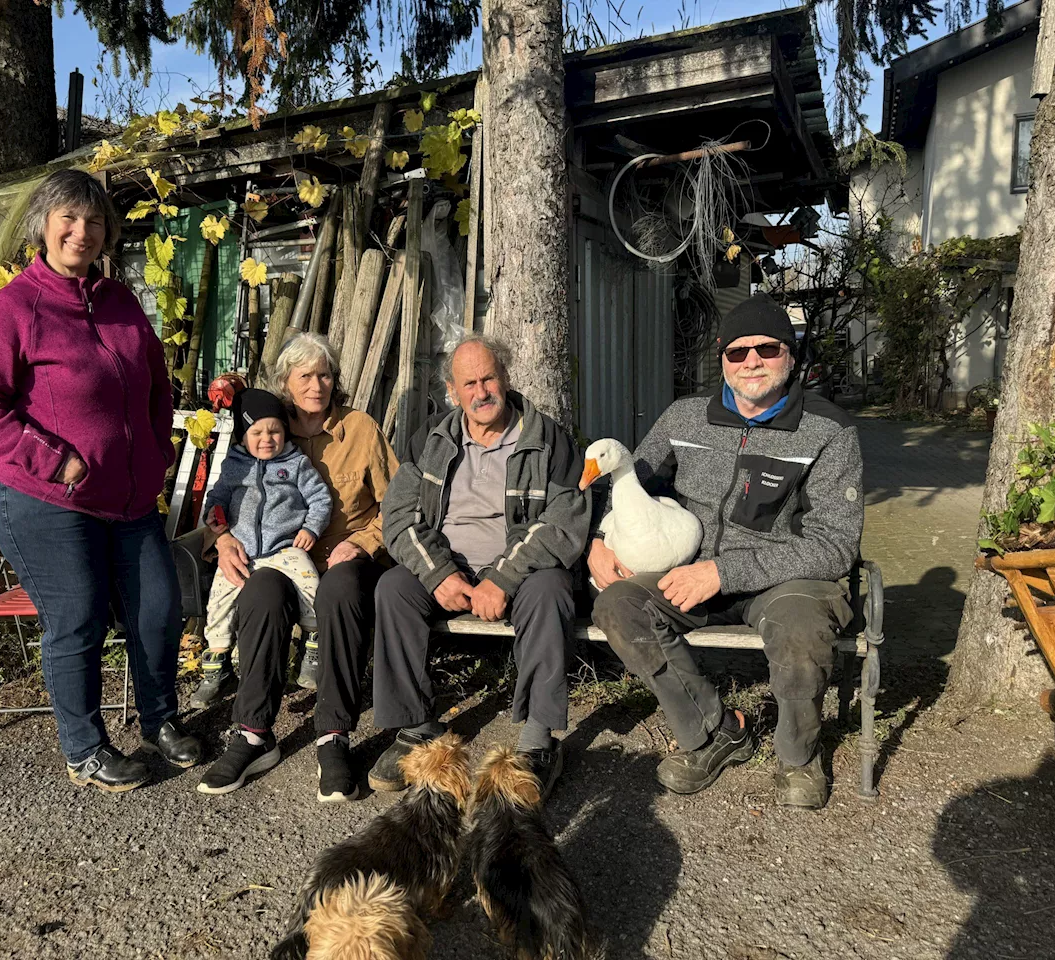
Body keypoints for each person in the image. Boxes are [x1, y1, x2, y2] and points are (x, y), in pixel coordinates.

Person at [0, 168, 202, 793]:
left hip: (127, 498)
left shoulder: (119, 302)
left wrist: (154, 454)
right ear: (44, 224)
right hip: (41, 497)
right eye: (68, 218)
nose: (81, 232)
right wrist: (52, 458)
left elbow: (154, 388)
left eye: (93, 222)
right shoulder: (13, 308)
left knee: (158, 608)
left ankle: (161, 722)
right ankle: (85, 749)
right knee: (78, 615)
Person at [589, 293, 863, 809]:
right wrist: (600, 539)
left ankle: (798, 755)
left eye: (767, 348)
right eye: (737, 352)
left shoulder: (830, 432)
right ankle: (715, 732)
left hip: (784, 579)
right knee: (619, 603)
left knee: (802, 628)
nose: (752, 361)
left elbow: (835, 546)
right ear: (722, 361)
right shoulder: (683, 418)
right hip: (688, 569)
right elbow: (626, 478)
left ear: (791, 354)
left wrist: (724, 572)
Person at [368, 335, 591, 800]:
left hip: (520, 569)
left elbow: (564, 522)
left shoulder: (548, 439)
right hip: (448, 568)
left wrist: (502, 577)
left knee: (551, 590)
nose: (481, 391)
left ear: (506, 379)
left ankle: (538, 741)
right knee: (393, 587)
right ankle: (417, 728)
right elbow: (398, 517)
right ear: (453, 390)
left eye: (489, 378)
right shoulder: (429, 439)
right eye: (469, 383)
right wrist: (438, 574)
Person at [196, 333, 398, 802]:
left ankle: (333, 735)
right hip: (279, 558)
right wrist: (222, 540)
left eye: (325, 374)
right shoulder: (263, 429)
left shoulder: (361, 429)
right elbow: (224, 497)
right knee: (261, 590)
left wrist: (364, 543)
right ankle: (254, 732)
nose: (317, 384)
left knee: (339, 591)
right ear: (286, 382)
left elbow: (399, 504)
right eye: (305, 375)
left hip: (346, 555)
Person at [195, 387, 333, 695]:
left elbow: (320, 499)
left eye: (275, 431)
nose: (267, 439)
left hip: (285, 547)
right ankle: (216, 666)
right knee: (219, 601)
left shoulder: (295, 464)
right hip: (240, 550)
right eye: (257, 432)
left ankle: (312, 648)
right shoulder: (235, 465)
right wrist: (218, 526)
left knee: (311, 585)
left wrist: (311, 529)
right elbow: (216, 498)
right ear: (243, 436)